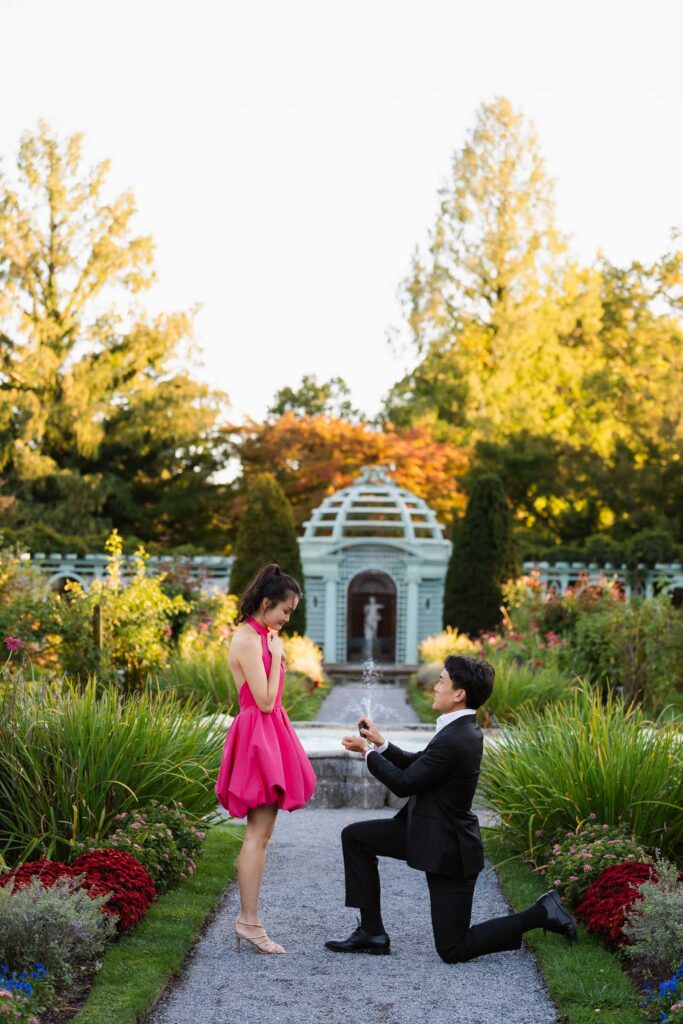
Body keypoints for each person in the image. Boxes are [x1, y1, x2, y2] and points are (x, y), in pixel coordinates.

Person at [325, 654, 576, 961]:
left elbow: (405, 783)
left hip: (448, 847)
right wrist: (381, 744)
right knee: (356, 837)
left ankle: (541, 913)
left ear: (459, 694)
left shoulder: (457, 737)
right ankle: (372, 933)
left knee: (453, 948)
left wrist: (366, 753)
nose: (435, 686)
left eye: (441, 680)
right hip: (424, 829)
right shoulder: (457, 730)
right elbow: (420, 764)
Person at [215, 563, 316, 955]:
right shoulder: (248, 639)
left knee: (263, 833)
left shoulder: (262, 636)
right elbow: (265, 700)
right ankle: (249, 923)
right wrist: (276, 657)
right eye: (285, 611)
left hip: (266, 732)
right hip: (258, 734)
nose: (286, 620)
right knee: (258, 835)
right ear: (266, 602)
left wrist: (274, 651)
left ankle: (249, 922)